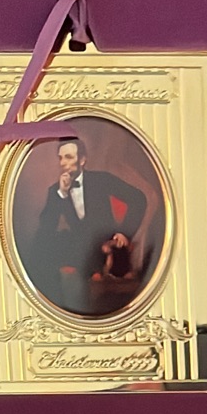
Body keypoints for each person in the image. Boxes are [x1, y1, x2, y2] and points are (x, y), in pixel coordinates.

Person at [30, 135, 148, 319]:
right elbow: (46, 229)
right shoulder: (56, 190)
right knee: (39, 248)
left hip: (106, 246)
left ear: (82, 160)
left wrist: (124, 232)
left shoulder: (102, 180)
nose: (63, 163)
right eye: (60, 158)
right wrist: (62, 194)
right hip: (79, 249)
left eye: (68, 157)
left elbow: (139, 199)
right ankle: (55, 313)